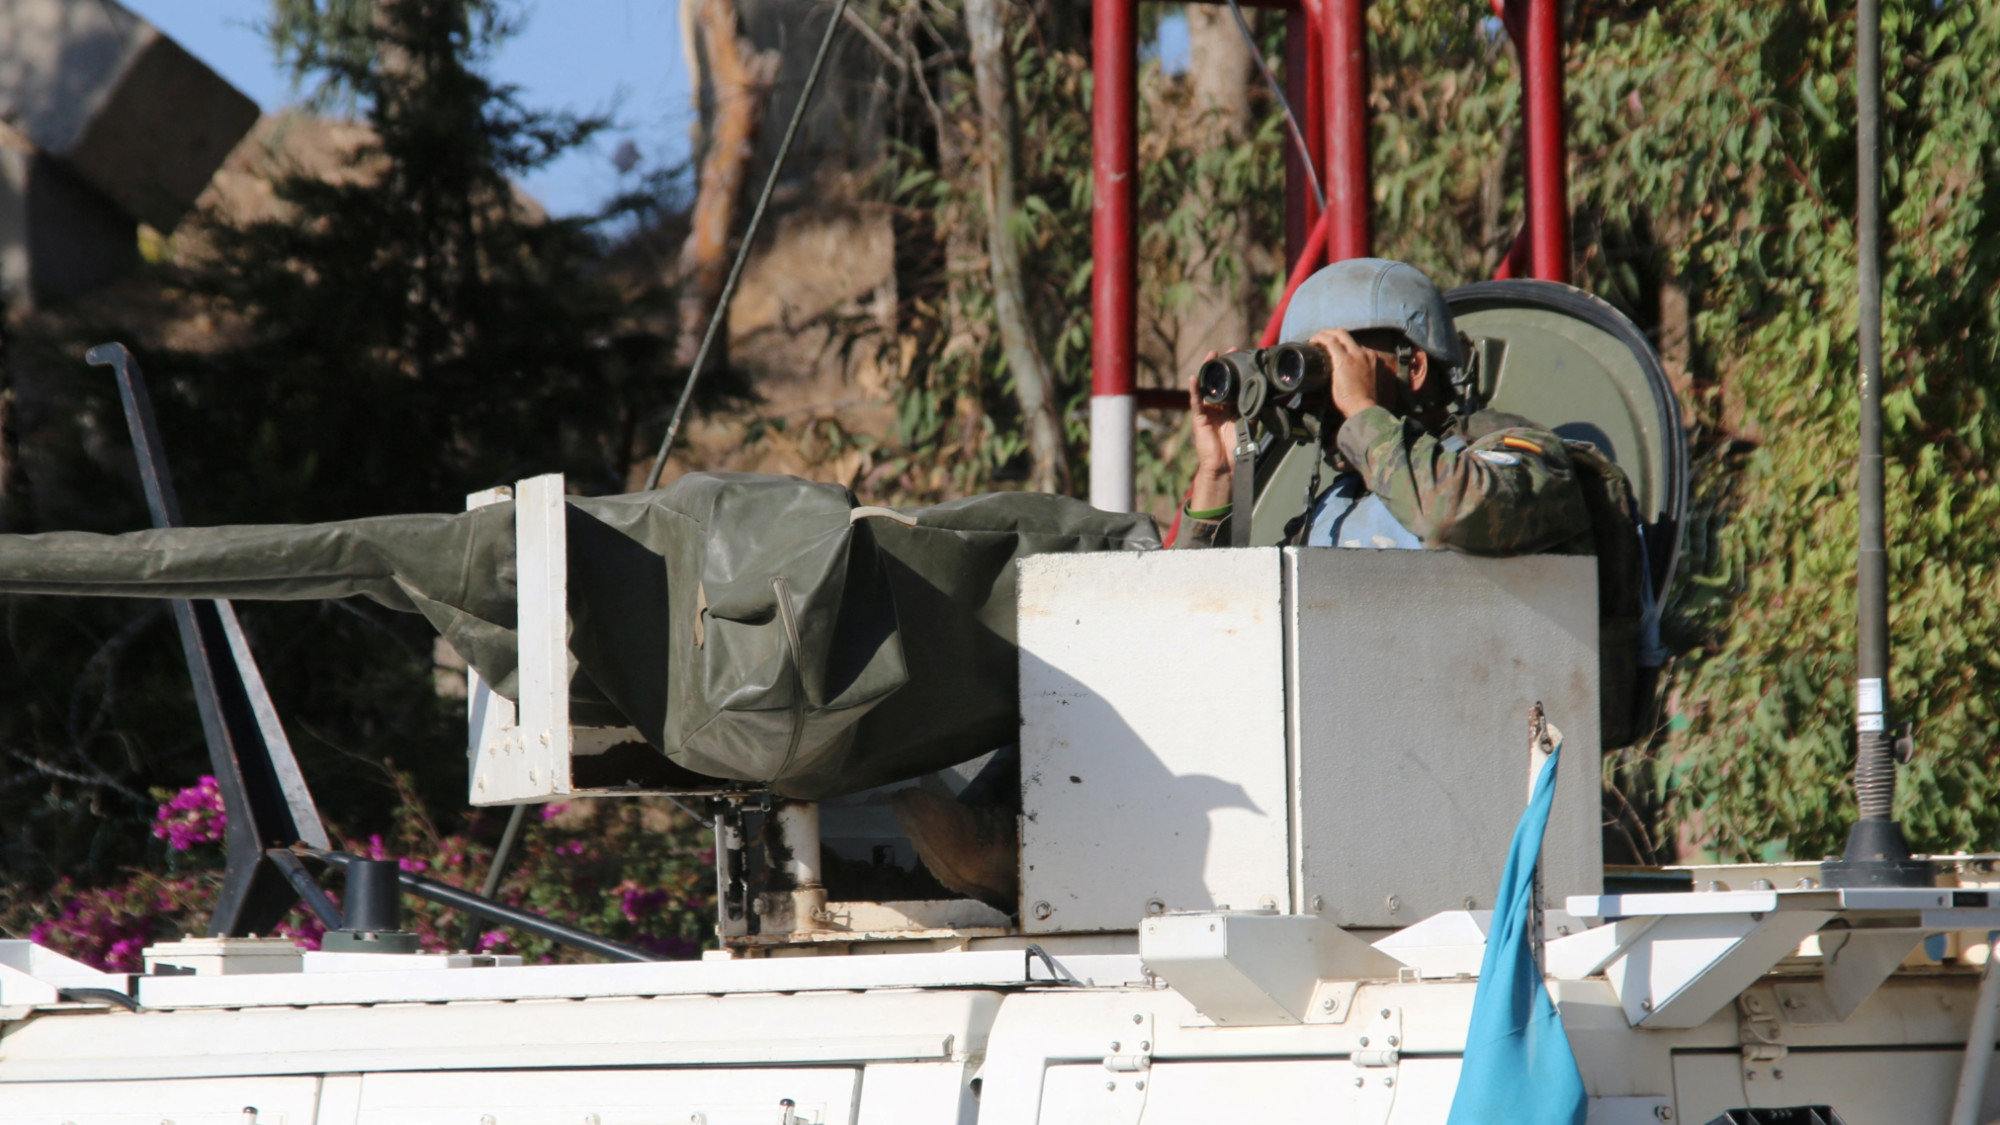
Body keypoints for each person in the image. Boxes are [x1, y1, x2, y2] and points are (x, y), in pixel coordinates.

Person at [1176, 258, 1592, 555]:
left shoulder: (1525, 459)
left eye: (1345, 360)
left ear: (1416, 368)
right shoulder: (1334, 508)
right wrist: (1219, 476)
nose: (1330, 393)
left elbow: (1450, 516)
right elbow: (1215, 625)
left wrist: (1360, 406)